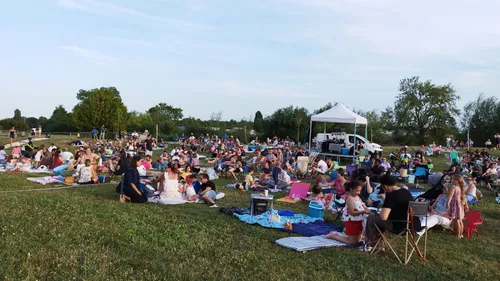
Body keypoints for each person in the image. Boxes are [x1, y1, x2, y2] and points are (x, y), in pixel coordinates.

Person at [365, 174, 422, 251]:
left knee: (372, 218)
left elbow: (383, 217)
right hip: (415, 225)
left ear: (385, 186)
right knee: (380, 220)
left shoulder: (391, 195)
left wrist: (374, 213)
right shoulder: (406, 191)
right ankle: (378, 244)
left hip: (400, 226)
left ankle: (371, 244)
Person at [326, 180, 370, 245]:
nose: (359, 193)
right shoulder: (350, 198)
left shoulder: (357, 197)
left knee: (358, 240)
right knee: (351, 242)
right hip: (352, 220)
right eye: (357, 191)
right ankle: (334, 236)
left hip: (359, 220)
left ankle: (342, 235)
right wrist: (363, 211)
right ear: (351, 190)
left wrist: (367, 209)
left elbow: (362, 205)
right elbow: (352, 212)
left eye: (360, 191)